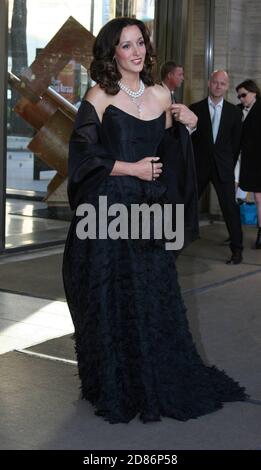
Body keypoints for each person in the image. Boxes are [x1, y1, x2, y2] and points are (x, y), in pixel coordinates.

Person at [63, 18, 247, 424]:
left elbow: (174, 155)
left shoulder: (162, 95)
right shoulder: (99, 94)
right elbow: (82, 155)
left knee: (151, 293)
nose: (136, 51)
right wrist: (131, 169)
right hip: (109, 211)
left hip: (150, 210)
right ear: (113, 53)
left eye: (140, 43)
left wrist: (192, 126)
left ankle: (153, 376)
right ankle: (117, 382)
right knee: (113, 296)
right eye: (126, 45)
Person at [190, 70, 243, 265]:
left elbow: (236, 144)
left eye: (222, 83)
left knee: (230, 209)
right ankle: (173, 246)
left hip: (223, 168)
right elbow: (190, 142)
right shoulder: (194, 109)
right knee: (187, 204)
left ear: (227, 86)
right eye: (215, 82)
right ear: (209, 83)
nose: (218, 86)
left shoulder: (234, 113)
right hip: (200, 167)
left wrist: (229, 166)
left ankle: (237, 250)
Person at [235, 79, 261, 249]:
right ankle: (234, 233)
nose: (241, 99)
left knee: (259, 197)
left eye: (244, 95)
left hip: (256, 160)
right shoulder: (238, 110)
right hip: (238, 159)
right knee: (233, 194)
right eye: (239, 96)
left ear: (254, 92)